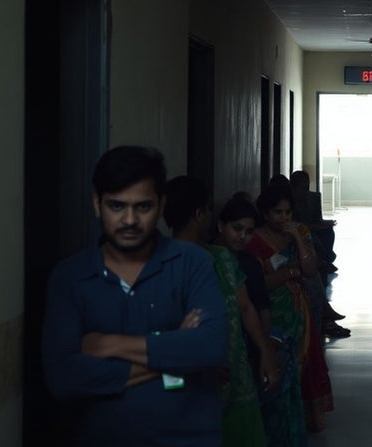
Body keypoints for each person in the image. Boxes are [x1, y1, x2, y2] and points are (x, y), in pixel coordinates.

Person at [42, 146, 227, 446]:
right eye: (117, 206)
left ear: (161, 205)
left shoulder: (192, 262)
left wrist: (105, 343)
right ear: (96, 204)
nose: (129, 220)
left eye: (143, 207)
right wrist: (174, 349)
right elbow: (64, 378)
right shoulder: (71, 277)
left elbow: (210, 347)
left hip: (189, 438)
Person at [166, 178, 277, 447]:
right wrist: (199, 364)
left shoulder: (221, 258)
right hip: (189, 383)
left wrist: (266, 351)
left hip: (236, 377)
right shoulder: (165, 263)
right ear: (199, 215)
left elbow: (246, 308)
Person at [246, 184, 335, 438]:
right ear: (265, 213)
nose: (284, 218)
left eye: (287, 212)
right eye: (277, 212)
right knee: (278, 364)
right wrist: (290, 272)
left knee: (302, 364)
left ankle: (300, 419)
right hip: (271, 312)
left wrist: (296, 237)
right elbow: (259, 282)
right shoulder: (254, 239)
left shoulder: (301, 232)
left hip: (299, 311)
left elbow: (310, 269)